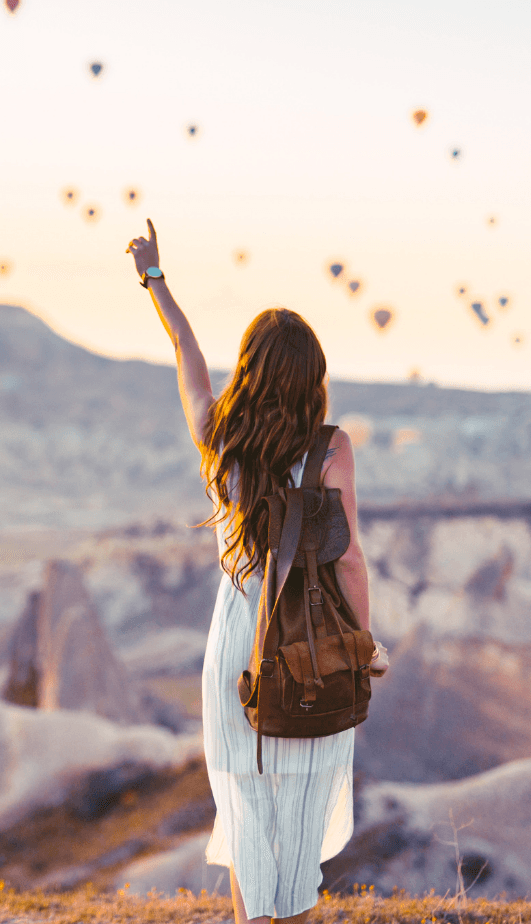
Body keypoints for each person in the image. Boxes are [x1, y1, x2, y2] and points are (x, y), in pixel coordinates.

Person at [125, 220, 386, 924]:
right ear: (313, 378)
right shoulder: (333, 450)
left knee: (244, 807)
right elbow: (350, 556)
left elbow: (186, 349)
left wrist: (155, 278)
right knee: (298, 823)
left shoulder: (219, 437)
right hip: (310, 644)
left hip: (237, 643)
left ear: (251, 370)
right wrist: (364, 644)